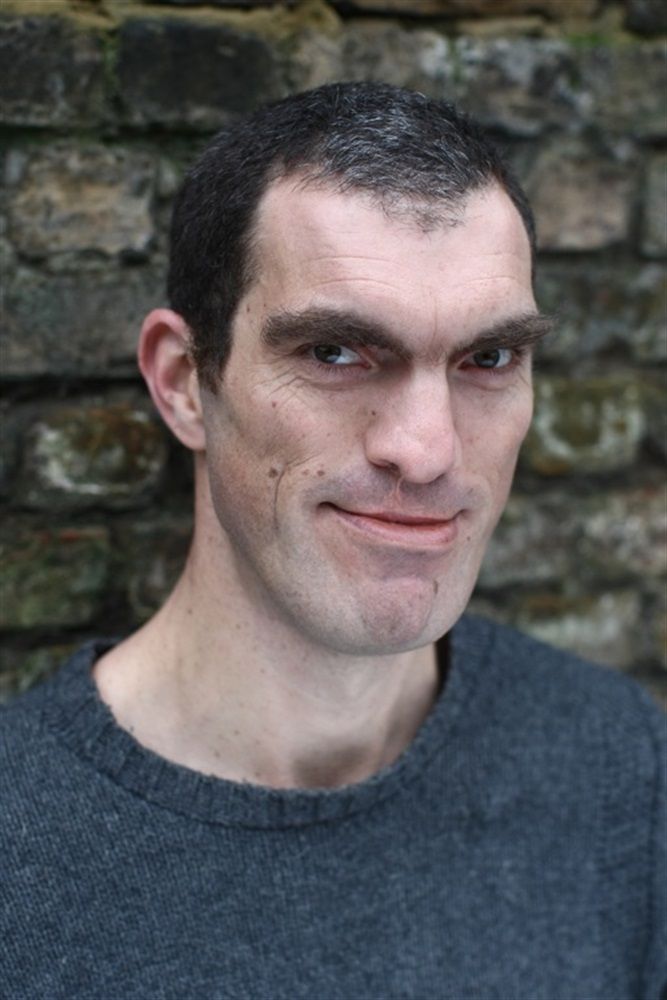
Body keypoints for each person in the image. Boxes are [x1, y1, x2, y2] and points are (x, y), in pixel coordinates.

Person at [1, 82, 665, 1000]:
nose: (426, 451)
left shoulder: (620, 767)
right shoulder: (20, 848)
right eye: (335, 353)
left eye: (487, 359)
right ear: (185, 383)